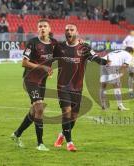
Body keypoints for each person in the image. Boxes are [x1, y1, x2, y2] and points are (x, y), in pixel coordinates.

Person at [53, 23, 109, 152]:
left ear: (76, 32)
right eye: (67, 29)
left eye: (71, 29)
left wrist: (106, 62)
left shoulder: (84, 47)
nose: (69, 31)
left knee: (73, 116)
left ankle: (62, 135)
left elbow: (95, 58)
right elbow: (49, 57)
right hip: (63, 86)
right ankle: (70, 143)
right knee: (66, 113)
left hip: (77, 87)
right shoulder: (59, 47)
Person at [11, 19, 57, 151]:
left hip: (42, 81)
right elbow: (24, 63)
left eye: (45, 26)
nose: (42, 28)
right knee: (39, 109)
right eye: (40, 26)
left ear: (49, 29)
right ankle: (40, 144)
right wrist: (42, 67)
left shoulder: (53, 43)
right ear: (38, 29)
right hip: (30, 79)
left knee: (34, 111)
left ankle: (17, 134)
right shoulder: (33, 42)